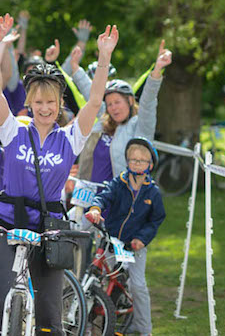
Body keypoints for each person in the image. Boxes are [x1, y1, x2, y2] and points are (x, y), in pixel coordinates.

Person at [0, 13, 118, 335]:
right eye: (39, 102)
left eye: (51, 102)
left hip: (49, 229)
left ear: (59, 104)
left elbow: (95, 100)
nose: (45, 108)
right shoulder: (14, 130)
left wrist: (103, 58)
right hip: (6, 222)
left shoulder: (70, 138)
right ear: (30, 102)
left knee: (50, 315)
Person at [85, 137, 166, 336]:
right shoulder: (119, 183)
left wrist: (142, 238)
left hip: (134, 246)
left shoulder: (152, 193)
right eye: (133, 159)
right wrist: (96, 208)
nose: (137, 164)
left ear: (150, 165)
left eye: (142, 161)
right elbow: (104, 196)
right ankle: (91, 324)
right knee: (97, 280)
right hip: (111, 241)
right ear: (127, 161)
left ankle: (144, 329)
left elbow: (156, 220)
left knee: (138, 286)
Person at [70, 40, 172, 188]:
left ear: (130, 101)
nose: (113, 108)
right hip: (88, 195)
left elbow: (148, 102)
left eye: (117, 102)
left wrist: (157, 70)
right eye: (109, 104)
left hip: (118, 200)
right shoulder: (104, 119)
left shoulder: (140, 126)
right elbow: (92, 95)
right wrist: (75, 67)